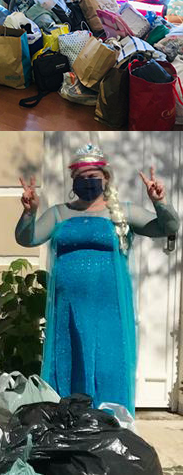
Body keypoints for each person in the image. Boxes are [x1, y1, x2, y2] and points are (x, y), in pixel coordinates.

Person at [16, 144, 179, 414]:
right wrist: (29, 212)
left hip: (108, 309)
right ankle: (69, 426)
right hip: (67, 310)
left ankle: (110, 425)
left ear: (106, 178)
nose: (88, 182)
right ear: (73, 180)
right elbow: (27, 238)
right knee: (70, 362)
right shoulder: (59, 213)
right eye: (82, 177)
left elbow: (169, 227)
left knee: (107, 364)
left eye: (94, 176)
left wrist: (159, 202)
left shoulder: (124, 211)